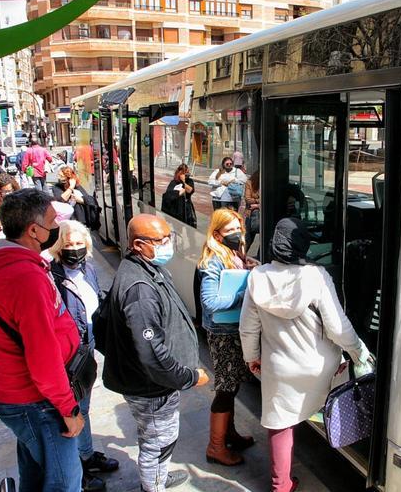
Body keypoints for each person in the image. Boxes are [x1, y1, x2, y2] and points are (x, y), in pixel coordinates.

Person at [0, 189, 84, 492]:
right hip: (35, 400)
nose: (58, 225)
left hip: (14, 391)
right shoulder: (24, 278)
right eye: (53, 220)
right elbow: (43, 360)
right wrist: (69, 411)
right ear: (34, 230)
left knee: (35, 472)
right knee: (65, 483)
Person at [240, 217, 371, 492]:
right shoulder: (316, 276)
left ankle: (282, 485)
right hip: (320, 367)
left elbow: (248, 329)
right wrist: (359, 353)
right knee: (329, 402)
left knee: (280, 425)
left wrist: (252, 359)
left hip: (279, 368)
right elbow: (338, 327)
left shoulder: (257, 277)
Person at [99, 214, 209, 492]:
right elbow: (151, 353)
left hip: (152, 383)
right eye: (160, 240)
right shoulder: (139, 289)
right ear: (138, 244)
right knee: (157, 443)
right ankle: (153, 486)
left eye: (168, 238)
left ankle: (158, 477)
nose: (167, 244)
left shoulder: (146, 268)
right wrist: (188, 377)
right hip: (151, 386)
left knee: (157, 438)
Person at [50, 220, 118, 492]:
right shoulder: (52, 276)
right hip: (67, 354)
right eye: (68, 245)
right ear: (58, 248)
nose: (74, 250)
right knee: (71, 410)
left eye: (79, 244)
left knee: (84, 407)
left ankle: (87, 455)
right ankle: (77, 468)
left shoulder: (87, 268)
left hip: (86, 346)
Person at [197, 208, 257, 466]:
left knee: (232, 387)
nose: (236, 233)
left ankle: (229, 434)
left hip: (234, 330)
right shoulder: (213, 260)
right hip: (223, 334)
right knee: (225, 389)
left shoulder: (232, 253)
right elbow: (209, 301)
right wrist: (243, 296)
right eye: (230, 230)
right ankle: (216, 446)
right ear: (217, 233)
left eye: (238, 228)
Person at [160, 164, 197, 228]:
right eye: (185, 173)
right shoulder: (174, 182)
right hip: (175, 209)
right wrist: (178, 193)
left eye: (188, 173)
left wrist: (183, 182)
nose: (187, 175)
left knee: (189, 228)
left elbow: (190, 190)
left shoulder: (190, 181)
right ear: (180, 173)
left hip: (186, 208)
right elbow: (168, 194)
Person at [244, 171, 260, 253]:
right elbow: (248, 199)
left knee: (265, 239)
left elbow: (268, 200)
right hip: (251, 213)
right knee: (248, 238)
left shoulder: (266, 183)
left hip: (263, 214)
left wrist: (257, 205)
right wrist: (259, 201)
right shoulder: (249, 183)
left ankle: (260, 257)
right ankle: (240, 256)